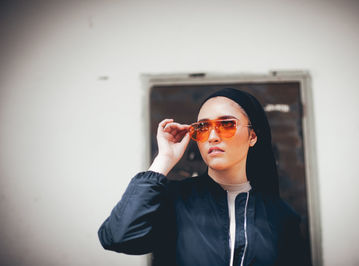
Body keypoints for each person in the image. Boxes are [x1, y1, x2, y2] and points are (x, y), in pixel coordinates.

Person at [98, 88, 304, 266]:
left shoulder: (281, 216)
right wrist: (164, 159)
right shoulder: (174, 200)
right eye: (203, 128)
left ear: (252, 136)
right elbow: (118, 237)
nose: (213, 136)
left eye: (226, 124)